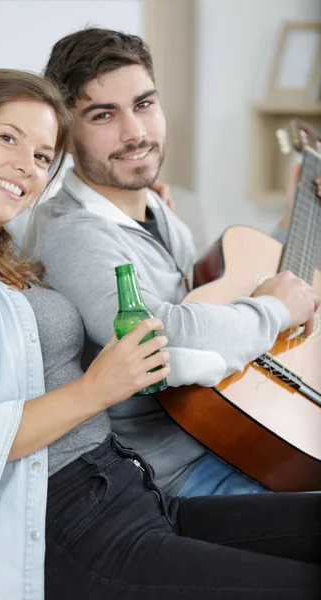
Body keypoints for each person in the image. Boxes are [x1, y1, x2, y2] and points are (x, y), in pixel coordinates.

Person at [0, 67, 321, 600]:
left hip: (127, 491)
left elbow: (206, 286)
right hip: (72, 527)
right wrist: (96, 389)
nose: (26, 166)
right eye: (7, 137)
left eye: (43, 156)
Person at [27, 27, 321, 499]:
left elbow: (215, 300)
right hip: (173, 475)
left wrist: (293, 219)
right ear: (65, 133)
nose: (136, 133)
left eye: (144, 104)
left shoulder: (156, 208)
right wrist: (276, 312)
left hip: (230, 435)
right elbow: (159, 336)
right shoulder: (73, 236)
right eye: (104, 115)